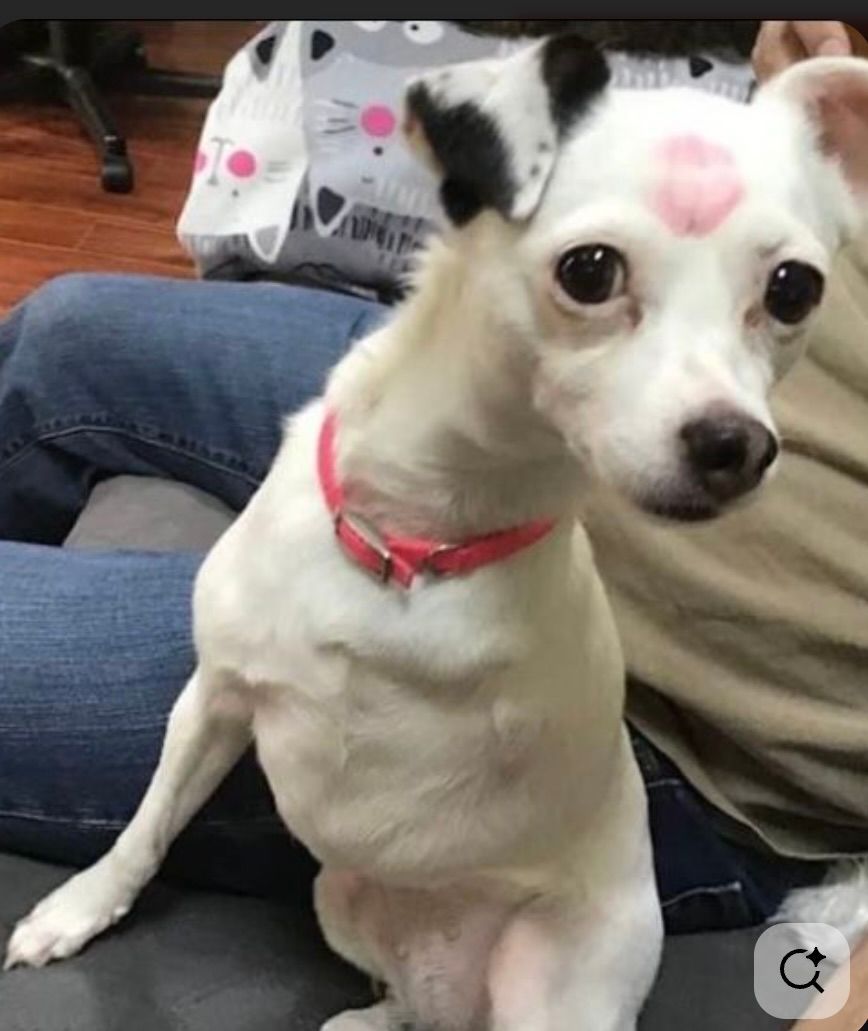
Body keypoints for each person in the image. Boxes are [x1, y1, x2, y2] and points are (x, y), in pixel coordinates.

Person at [0, 20, 865, 937]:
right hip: (488, 364)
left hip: (670, 725)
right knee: (70, 330)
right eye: (596, 272)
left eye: (785, 296)